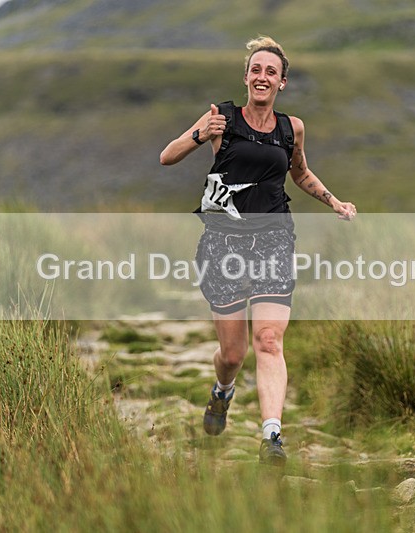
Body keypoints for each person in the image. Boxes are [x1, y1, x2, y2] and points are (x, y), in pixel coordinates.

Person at [159, 36, 357, 467]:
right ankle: (222, 392)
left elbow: (300, 174)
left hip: (274, 240)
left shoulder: (291, 128)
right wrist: (199, 134)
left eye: (271, 71)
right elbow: (166, 157)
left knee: (269, 340)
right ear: (246, 77)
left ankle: (272, 437)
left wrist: (335, 202)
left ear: (282, 82)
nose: (262, 77)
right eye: (256, 70)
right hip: (223, 244)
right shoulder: (222, 117)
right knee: (233, 354)